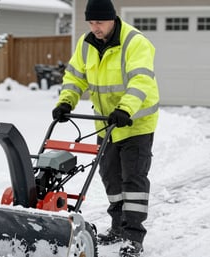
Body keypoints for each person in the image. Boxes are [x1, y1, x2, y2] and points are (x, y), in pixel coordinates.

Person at [52, 0, 159, 256]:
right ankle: (117, 228)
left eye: (99, 22)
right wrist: (66, 102)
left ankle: (133, 236)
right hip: (106, 125)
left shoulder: (135, 42)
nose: (95, 28)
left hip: (135, 123)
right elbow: (75, 77)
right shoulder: (86, 44)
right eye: (91, 22)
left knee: (132, 180)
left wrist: (126, 109)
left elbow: (140, 81)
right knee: (110, 178)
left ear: (112, 19)